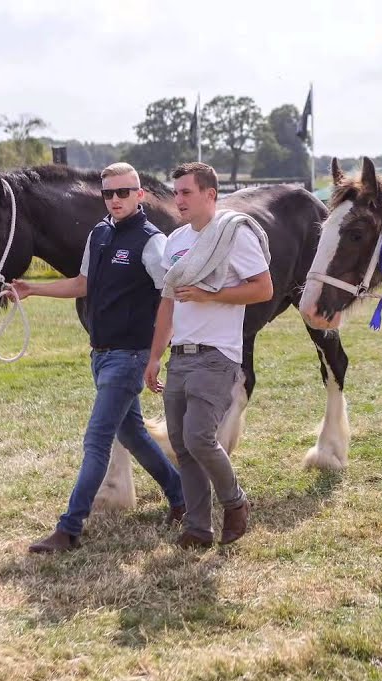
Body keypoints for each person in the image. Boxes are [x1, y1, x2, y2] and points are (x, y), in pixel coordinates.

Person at [15, 162, 185, 553]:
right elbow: (83, 284)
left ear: (139, 194)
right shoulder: (100, 234)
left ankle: (69, 528)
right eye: (108, 193)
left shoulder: (152, 241)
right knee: (133, 434)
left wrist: (155, 355)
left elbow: (169, 298)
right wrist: (33, 290)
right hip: (101, 355)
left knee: (96, 440)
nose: (115, 200)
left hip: (129, 357)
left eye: (123, 192)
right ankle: (180, 496)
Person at [145, 162, 272, 548]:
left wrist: (209, 296)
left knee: (199, 437)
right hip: (179, 357)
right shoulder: (176, 240)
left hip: (217, 355)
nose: (178, 199)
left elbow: (264, 289)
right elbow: (167, 301)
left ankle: (235, 502)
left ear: (209, 194)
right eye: (176, 191)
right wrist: (154, 357)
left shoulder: (233, 235)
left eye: (186, 192)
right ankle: (199, 529)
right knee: (183, 447)